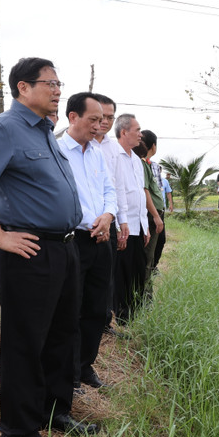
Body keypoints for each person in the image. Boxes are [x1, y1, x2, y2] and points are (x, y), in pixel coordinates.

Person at [0, 57, 98, 437]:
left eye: (58, 83)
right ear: (23, 87)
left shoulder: (45, 132)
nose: (57, 90)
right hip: (29, 251)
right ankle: (19, 432)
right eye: (49, 83)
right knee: (25, 341)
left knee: (62, 334)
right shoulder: (5, 129)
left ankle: (55, 413)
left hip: (64, 247)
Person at [56, 92, 117, 390]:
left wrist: (107, 216)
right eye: (94, 119)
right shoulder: (56, 151)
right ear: (73, 117)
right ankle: (67, 371)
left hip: (101, 237)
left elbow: (110, 190)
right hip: (73, 240)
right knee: (71, 309)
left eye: (103, 120)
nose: (99, 125)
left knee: (96, 307)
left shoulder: (96, 153)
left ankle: (84, 366)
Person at [92, 94, 128, 338]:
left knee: (107, 274)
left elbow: (117, 186)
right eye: (101, 116)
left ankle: (104, 322)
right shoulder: (72, 144)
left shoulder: (113, 148)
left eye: (110, 117)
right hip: (85, 223)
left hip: (110, 218)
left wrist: (121, 220)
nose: (105, 121)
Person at [113, 114, 149, 325]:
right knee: (122, 274)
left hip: (138, 226)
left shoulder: (136, 160)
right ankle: (123, 318)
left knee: (138, 271)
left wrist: (146, 227)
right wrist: (118, 227)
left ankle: (137, 313)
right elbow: (115, 194)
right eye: (137, 130)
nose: (140, 134)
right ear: (124, 132)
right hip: (124, 227)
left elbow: (139, 194)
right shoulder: (114, 156)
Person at [136, 131, 164, 285]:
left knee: (152, 253)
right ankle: (144, 293)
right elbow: (145, 190)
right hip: (151, 215)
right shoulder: (142, 163)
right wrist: (156, 215)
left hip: (155, 214)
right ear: (153, 145)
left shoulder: (147, 163)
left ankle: (146, 288)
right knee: (147, 256)